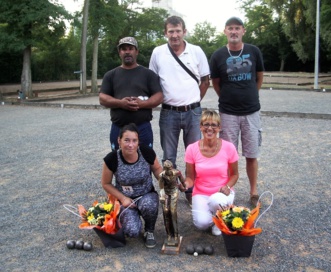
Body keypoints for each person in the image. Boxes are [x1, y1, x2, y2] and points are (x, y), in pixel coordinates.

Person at [149, 16, 210, 206]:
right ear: (165, 33)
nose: (174, 35)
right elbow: (153, 82)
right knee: (169, 157)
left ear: (184, 31)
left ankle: (192, 192)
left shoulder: (196, 51)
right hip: (168, 112)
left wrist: (192, 101)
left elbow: (205, 81)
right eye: (171, 31)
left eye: (178, 31)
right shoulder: (158, 53)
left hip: (193, 112)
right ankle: (171, 192)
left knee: (194, 155)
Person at [209, 17, 264, 207]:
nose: (234, 31)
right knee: (227, 155)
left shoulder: (253, 51)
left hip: (251, 112)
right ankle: (227, 189)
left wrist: (249, 95)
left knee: (251, 153)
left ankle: (253, 191)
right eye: (230, 28)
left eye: (237, 28)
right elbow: (216, 83)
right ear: (225, 31)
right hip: (228, 113)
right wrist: (227, 96)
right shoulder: (217, 55)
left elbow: (259, 77)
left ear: (243, 31)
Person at [101, 123, 163, 248]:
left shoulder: (146, 152)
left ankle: (149, 231)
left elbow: (157, 170)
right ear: (119, 140)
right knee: (132, 232)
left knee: (149, 205)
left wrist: (165, 183)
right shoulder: (112, 158)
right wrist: (122, 198)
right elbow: (106, 183)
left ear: (138, 141)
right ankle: (127, 219)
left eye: (134, 140)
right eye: (127, 140)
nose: (131, 145)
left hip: (146, 195)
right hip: (125, 199)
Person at [181, 110, 239, 236]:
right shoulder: (191, 149)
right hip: (201, 193)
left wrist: (228, 186)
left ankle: (222, 216)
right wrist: (185, 184)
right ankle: (219, 215)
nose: (210, 128)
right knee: (201, 224)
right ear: (201, 127)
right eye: (206, 124)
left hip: (222, 193)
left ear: (219, 128)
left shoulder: (229, 147)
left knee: (217, 200)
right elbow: (191, 177)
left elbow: (235, 174)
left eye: (214, 125)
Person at [100, 37, 163, 150]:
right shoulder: (110, 75)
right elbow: (103, 98)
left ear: (136, 51)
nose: (127, 52)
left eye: (131, 48)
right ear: (120, 52)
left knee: (146, 161)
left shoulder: (148, 74)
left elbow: (159, 96)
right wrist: (120, 103)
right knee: (118, 161)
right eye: (124, 49)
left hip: (142, 127)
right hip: (119, 127)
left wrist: (142, 104)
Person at [158, 160, 186, 245]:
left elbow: (182, 181)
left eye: (169, 169)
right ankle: (169, 234)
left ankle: (176, 234)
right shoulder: (162, 175)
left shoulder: (177, 173)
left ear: (172, 168)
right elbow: (161, 188)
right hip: (166, 192)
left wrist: (184, 186)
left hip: (174, 192)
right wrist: (162, 196)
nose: (168, 171)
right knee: (166, 211)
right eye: (166, 169)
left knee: (173, 211)